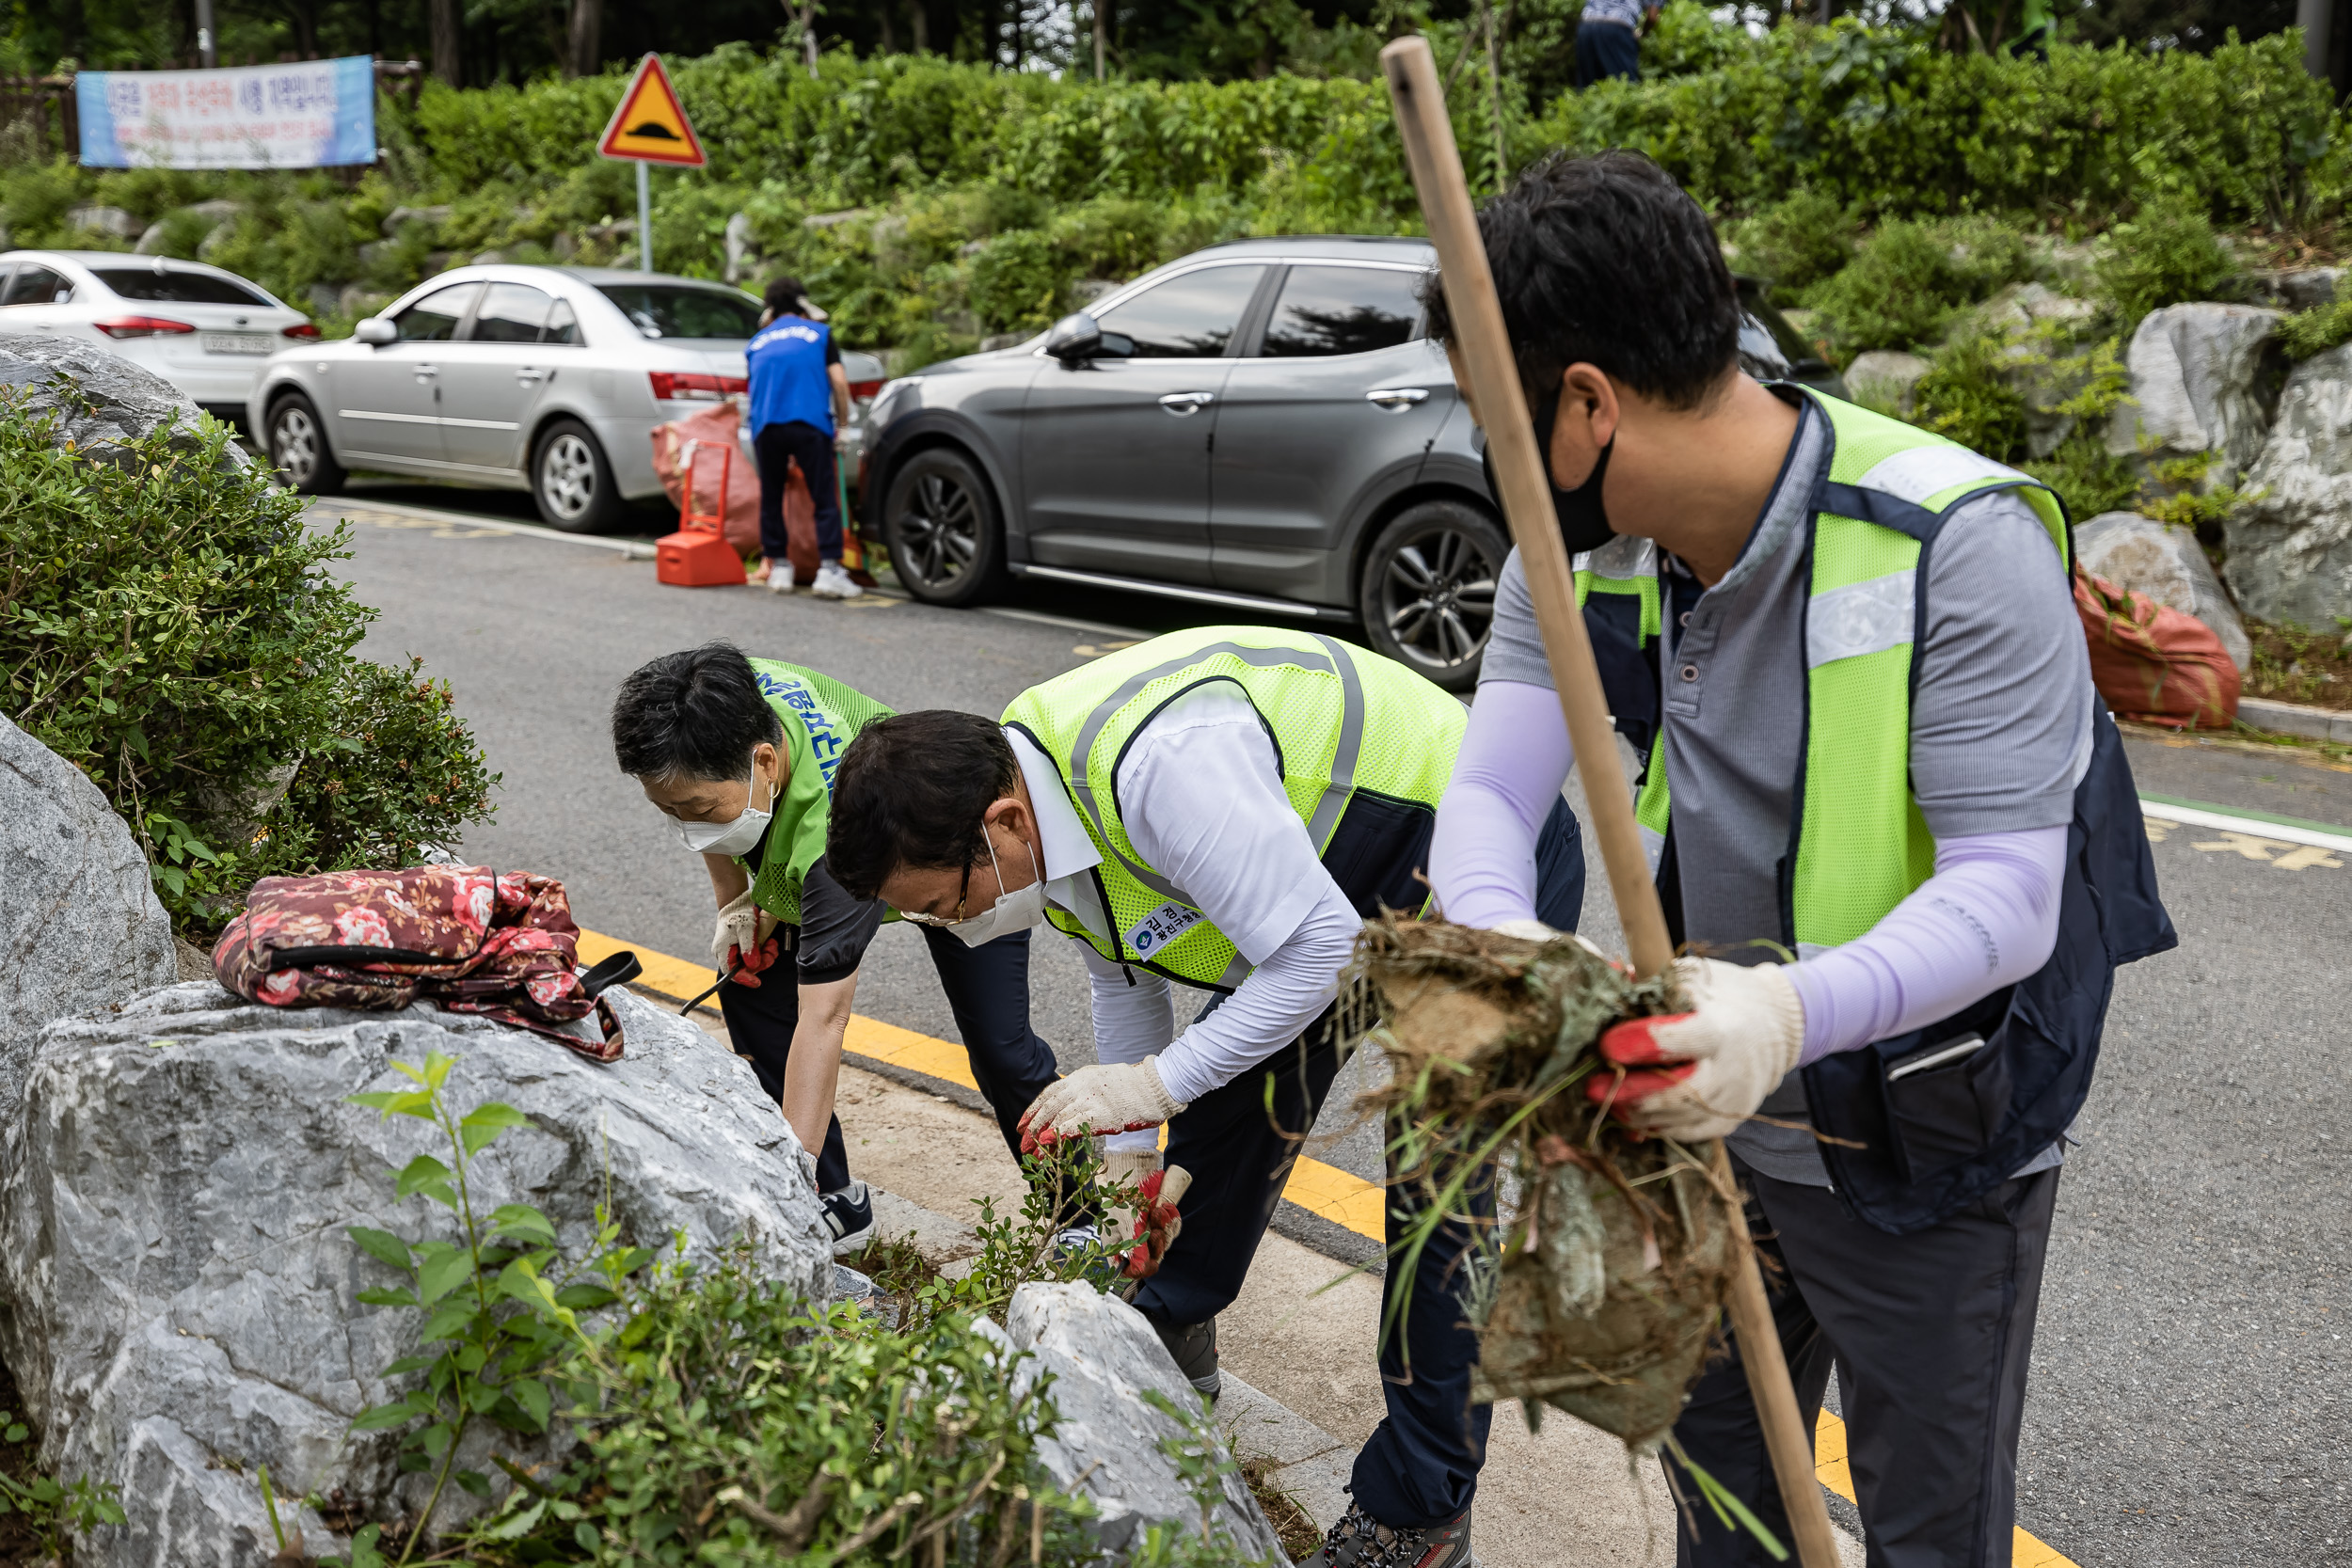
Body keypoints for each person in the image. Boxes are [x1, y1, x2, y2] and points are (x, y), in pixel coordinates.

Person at [1422, 151, 2173, 1565]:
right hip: (1704, 1131)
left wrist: (1778, 1014)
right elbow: (1493, 793)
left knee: (1929, 1529)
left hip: (1929, 1139)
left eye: (1489, 416)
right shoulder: (1569, 554)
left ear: (1585, 402)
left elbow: (2009, 897)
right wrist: (1510, 945)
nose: (1489, 457)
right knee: (1730, 1514)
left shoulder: (1956, 538)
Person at [824, 628, 1587, 1568]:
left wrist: (1151, 1082)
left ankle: (1418, 1514)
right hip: (1321, 883)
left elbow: (1318, 950)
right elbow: (1126, 975)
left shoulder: (1157, 771)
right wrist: (1134, 1147)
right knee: (1218, 1115)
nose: (953, 923)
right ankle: (1166, 1318)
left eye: (944, 901)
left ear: (1004, 824)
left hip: (1470, 841)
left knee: (1438, 1190)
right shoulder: (1028, 798)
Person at [610, 643, 1071, 1252]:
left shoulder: (822, 847)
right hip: (835, 836)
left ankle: (1079, 1210)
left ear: (766, 763)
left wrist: (785, 1192)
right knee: (749, 984)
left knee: (1001, 1051)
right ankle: (834, 1200)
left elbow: (825, 1017)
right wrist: (738, 902)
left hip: (951, 857)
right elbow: (709, 821)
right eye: (669, 811)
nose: (688, 823)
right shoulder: (726, 702)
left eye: (696, 809)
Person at [746, 277, 857, 600]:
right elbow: (839, 383)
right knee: (823, 496)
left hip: (766, 425)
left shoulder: (756, 342)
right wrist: (845, 425)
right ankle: (829, 570)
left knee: (771, 496)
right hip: (809, 423)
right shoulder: (820, 335)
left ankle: (780, 567)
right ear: (803, 305)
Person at [1574, 0, 1658, 89]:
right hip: (1616, 26)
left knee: (1588, 87)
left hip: (1586, 25)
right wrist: (1643, 34)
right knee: (1625, 85)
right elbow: (1652, 17)